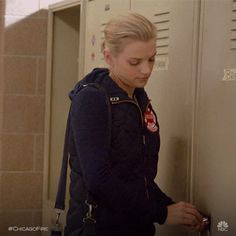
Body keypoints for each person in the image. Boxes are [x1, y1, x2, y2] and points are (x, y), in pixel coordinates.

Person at [64, 12, 206, 236]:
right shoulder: (91, 99)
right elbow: (99, 180)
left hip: (136, 225)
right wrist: (161, 212)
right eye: (135, 62)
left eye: (151, 59)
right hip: (98, 228)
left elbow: (137, 176)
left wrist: (169, 206)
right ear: (109, 57)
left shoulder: (138, 97)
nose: (146, 70)